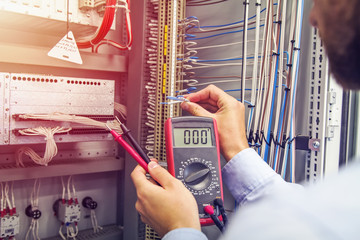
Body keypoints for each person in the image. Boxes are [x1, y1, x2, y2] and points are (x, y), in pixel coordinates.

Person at [131, 0, 360, 239]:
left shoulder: (304, 223)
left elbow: (301, 219)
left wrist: (178, 229)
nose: (312, 18)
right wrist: (237, 150)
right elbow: (296, 210)